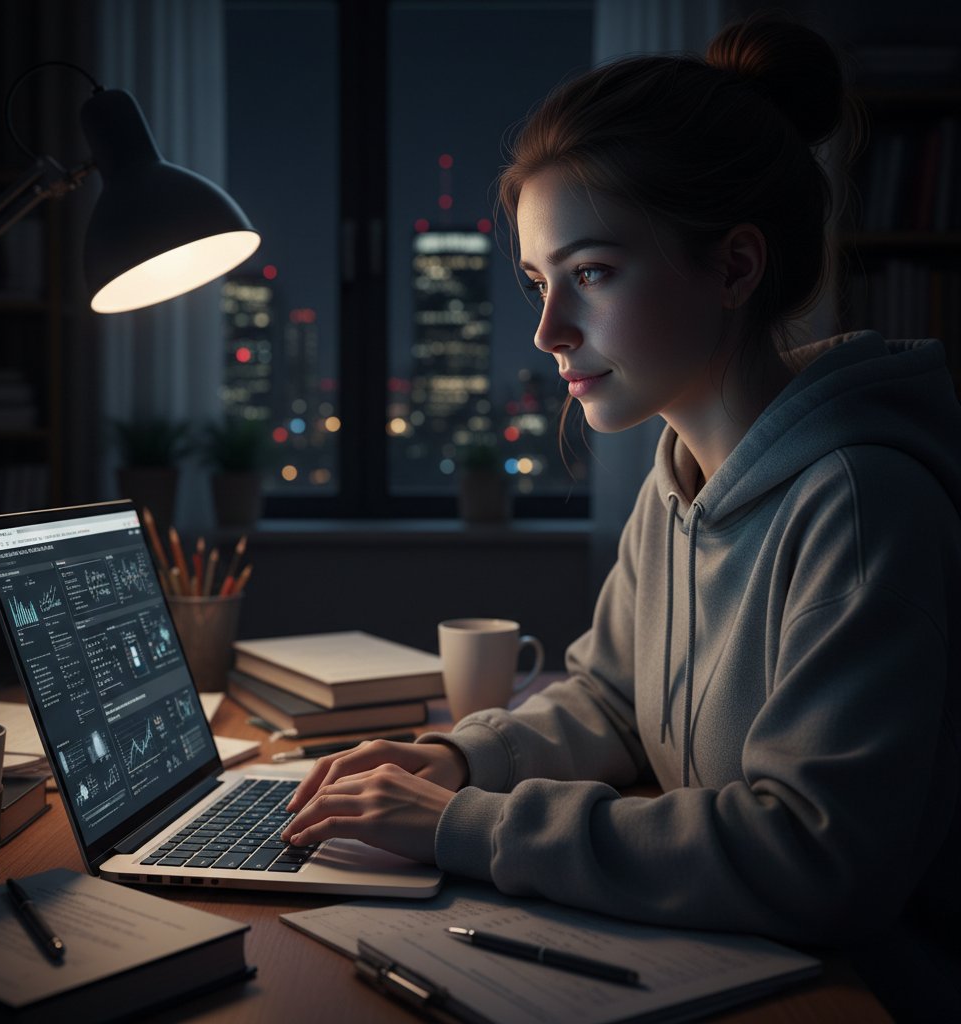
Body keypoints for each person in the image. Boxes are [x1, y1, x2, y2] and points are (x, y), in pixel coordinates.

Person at [283, 11, 961, 1018]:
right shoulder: (678, 472)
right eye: (535, 283)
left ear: (733, 266)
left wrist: (463, 824)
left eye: (591, 272)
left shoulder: (858, 503)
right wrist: (459, 757)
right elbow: (610, 700)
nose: (549, 331)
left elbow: (817, 858)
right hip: (734, 959)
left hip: (861, 994)